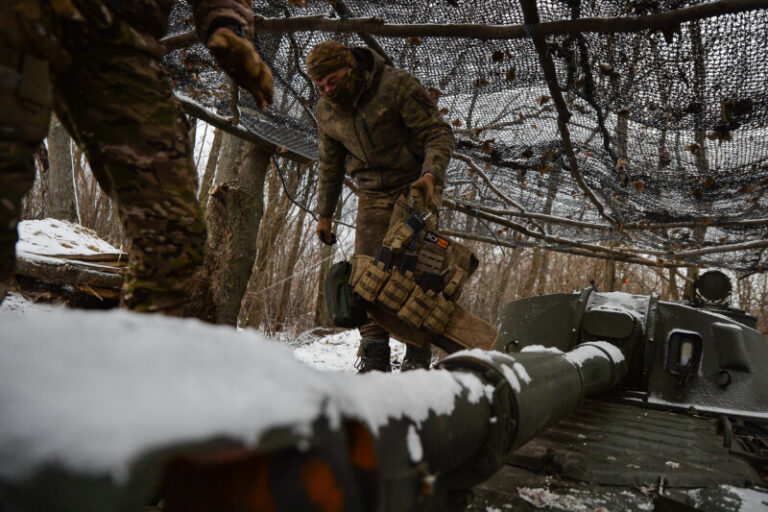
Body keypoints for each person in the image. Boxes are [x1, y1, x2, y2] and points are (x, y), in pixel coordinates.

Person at [0, 0, 273, 312]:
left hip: (120, 38)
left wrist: (228, 28)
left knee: (173, 234)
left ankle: (138, 351)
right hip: (20, 14)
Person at [306, 40, 454, 372]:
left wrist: (430, 176)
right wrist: (325, 214)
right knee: (366, 276)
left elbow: (438, 133)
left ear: (352, 68)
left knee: (419, 272)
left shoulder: (397, 85)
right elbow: (330, 164)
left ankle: (418, 355)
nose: (328, 90)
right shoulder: (326, 112)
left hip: (415, 187)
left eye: (333, 80)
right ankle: (373, 356)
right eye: (320, 85)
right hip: (371, 193)